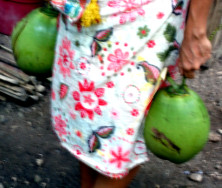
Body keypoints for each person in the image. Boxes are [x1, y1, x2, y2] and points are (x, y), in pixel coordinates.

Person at [47, 0, 213, 187]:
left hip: (140, 20)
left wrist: (196, 30)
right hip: (85, 12)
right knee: (88, 115)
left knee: (123, 130)